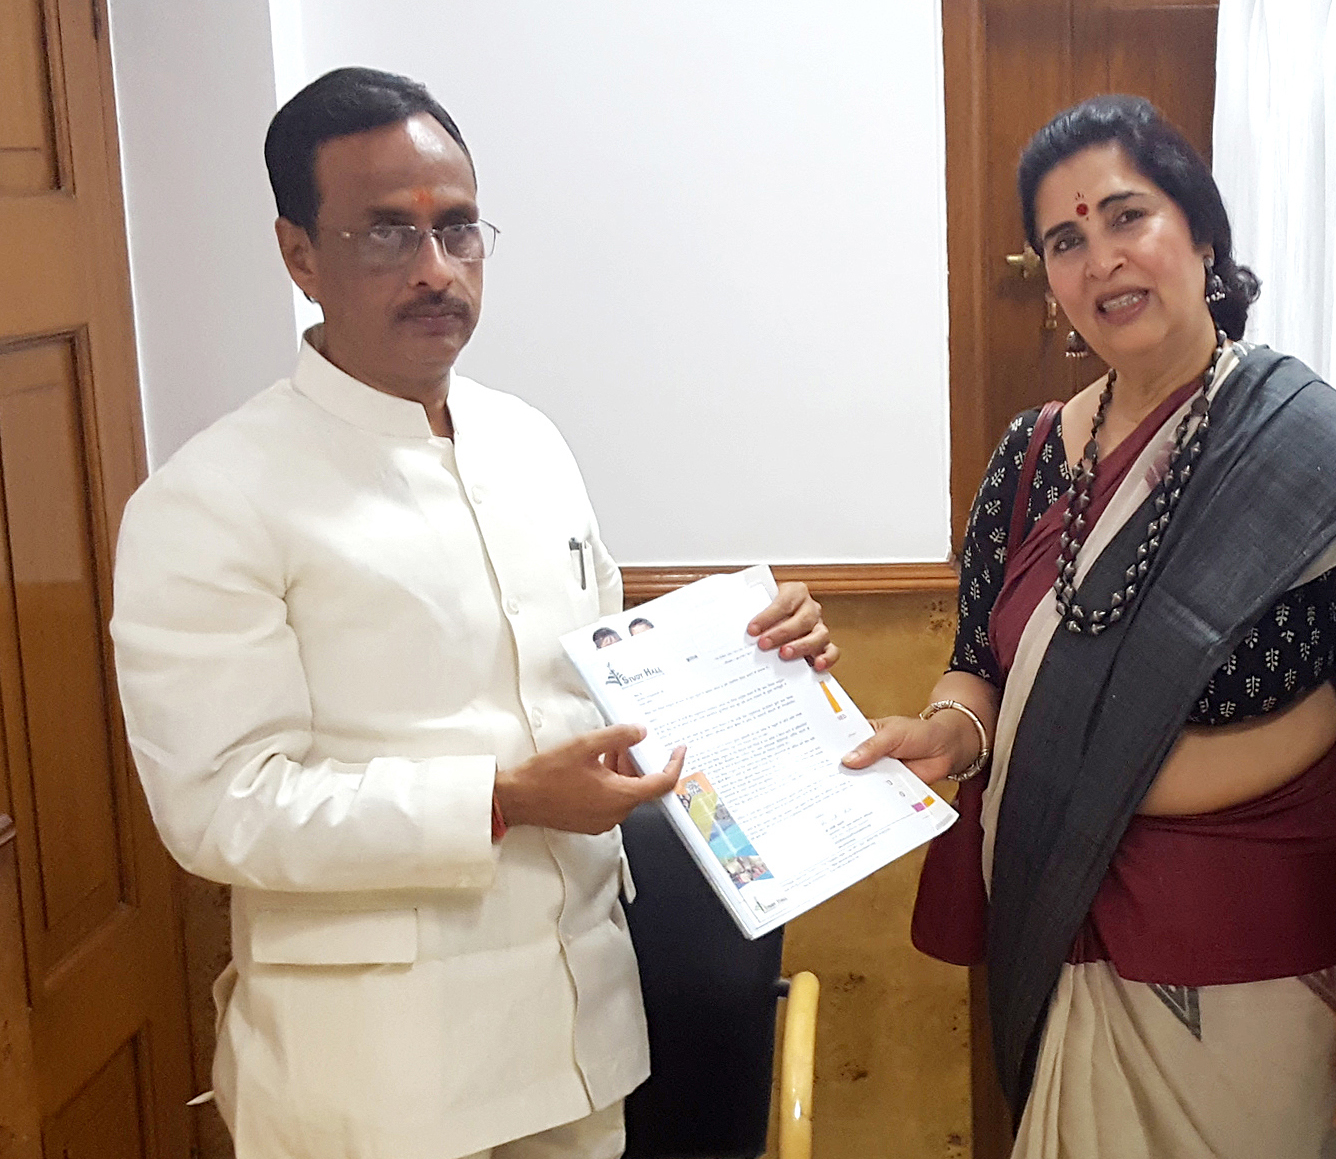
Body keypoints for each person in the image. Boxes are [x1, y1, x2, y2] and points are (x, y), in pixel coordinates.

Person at [110, 67, 836, 1159]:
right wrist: (500, 800)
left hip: (580, 1037)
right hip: (380, 1082)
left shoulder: (528, 442)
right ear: (298, 254)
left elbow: (590, 670)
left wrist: (749, 657)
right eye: (385, 234)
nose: (435, 270)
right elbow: (224, 806)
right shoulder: (210, 498)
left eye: (457, 228)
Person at [843, 95, 1336, 1158]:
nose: (1101, 259)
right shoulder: (1029, 459)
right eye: (1064, 241)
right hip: (1063, 930)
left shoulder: (1321, 460)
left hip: (1267, 970)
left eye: (1127, 216)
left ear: (1201, 233)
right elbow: (979, 666)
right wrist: (949, 733)